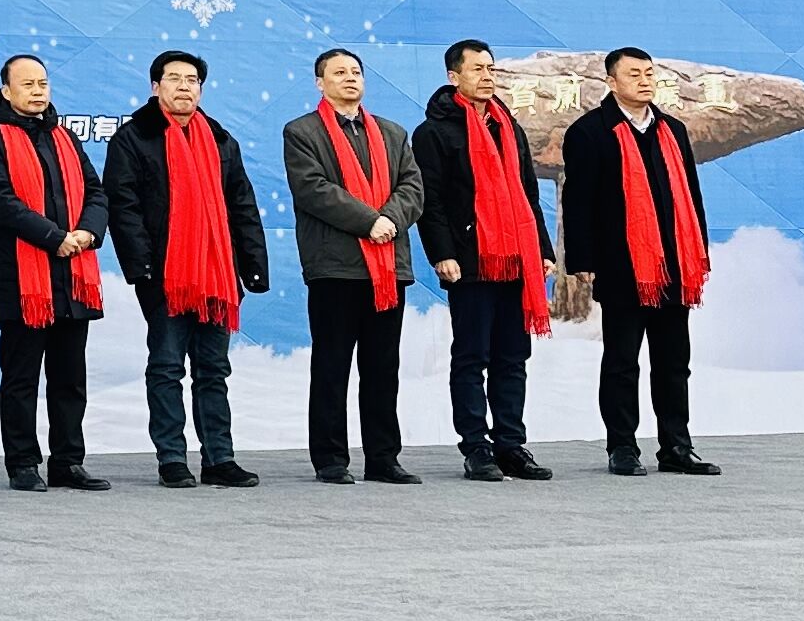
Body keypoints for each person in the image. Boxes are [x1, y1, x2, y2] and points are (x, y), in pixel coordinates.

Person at [99, 49, 265, 489]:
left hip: (218, 275)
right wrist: (143, 268)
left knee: (214, 370)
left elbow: (242, 205)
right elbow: (124, 208)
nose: (184, 87)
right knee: (167, 367)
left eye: (192, 80)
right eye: (174, 79)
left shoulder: (221, 139)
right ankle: (172, 458)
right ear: (156, 87)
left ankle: (219, 458)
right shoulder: (133, 138)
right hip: (165, 275)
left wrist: (252, 265)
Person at [556, 43, 717, 476]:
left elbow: (691, 196)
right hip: (621, 264)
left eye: (649, 73)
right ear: (611, 82)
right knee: (622, 361)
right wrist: (583, 258)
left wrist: (698, 250)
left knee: (673, 362)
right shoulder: (590, 132)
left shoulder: (673, 130)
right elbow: (578, 200)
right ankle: (622, 447)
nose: (645, 81)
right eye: (634, 74)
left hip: (674, 264)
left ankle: (676, 447)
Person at [283, 48, 428, 485]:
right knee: (332, 365)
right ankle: (330, 459)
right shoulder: (302, 132)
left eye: (356, 72)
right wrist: (370, 221)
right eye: (339, 72)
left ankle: (383, 458)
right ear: (320, 83)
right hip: (335, 267)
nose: (350, 78)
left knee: (383, 367)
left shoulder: (392, 132)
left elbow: (413, 187)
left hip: (388, 267)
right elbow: (313, 189)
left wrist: (390, 220)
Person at [414, 38, 555, 481]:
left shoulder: (507, 126)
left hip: (517, 257)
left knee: (513, 357)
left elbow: (528, 193)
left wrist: (543, 249)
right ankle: (476, 446)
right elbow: (431, 201)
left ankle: (511, 444)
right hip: (470, 260)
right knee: (472, 356)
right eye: (477, 69)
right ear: (453, 76)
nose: (487, 76)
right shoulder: (434, 132)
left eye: (491, 68)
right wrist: (443, 253)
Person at [0, 54, 110, 492]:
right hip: (23, 279)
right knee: (21, 378)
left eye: (43, 83)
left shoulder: (65, 136)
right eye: (27, 84)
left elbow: (96, 191)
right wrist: (54, 238)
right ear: (6, 91)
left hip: (73, 277)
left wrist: (87, 232)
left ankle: (68, 461)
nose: (37, 91)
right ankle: (23, 463)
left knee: (70, 379)